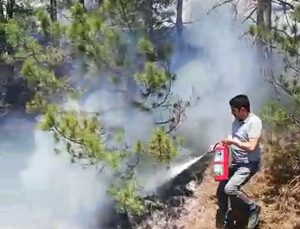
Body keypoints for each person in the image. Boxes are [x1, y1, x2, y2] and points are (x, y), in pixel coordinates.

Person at [210, 94, 262, 229]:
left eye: (234, 110)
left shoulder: (254, 122)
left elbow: (251, 146)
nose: (232, 113)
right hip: (236, 164)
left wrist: (234, 141)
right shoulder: (236, 121)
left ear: (242, 110)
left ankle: (253, 208)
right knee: (221, 191)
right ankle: (227, 219)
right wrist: (218, 146)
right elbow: (230, 138)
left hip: (248, 164)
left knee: (230, 188)